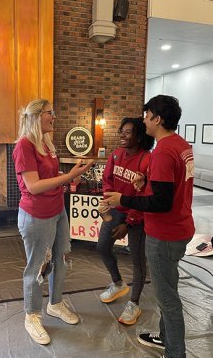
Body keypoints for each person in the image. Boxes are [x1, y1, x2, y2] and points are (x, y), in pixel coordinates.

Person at [100, 95, 195, 358]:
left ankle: (175, 353)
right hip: (180, 227)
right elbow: (171, 188)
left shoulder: (163, 151)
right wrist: (148, 180)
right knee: (168, 288)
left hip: (165, 232)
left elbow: (161, 202)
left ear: (158, 119)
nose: (144, 120)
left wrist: (124, 199)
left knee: (168, 299)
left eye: (147, 115)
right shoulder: (180, 145)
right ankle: (165, 338)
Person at [13, 99, 94, 345]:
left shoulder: (46, 143)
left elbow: (48, 176)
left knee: (61, 258)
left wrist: (69, 176)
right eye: (51, 113)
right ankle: (32, 315)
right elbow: (34, 186)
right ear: (38, 116)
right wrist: (69, 176)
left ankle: (55, 303)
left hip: (57, 210)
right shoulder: (24, 146)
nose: (54, 117)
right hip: (36, 215)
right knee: (37, 266)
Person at [97, 117, 154, 325]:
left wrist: (129, 223)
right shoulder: (116, 154)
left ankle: (134, 303)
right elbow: (107, 179)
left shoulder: (147, 160)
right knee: (103, 247)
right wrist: (108, 199)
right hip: (118, 210)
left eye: (128, 132)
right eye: (121, 131)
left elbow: (146, 197)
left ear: (139, 136)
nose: (122, 135)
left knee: (138, 260)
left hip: (137, 215)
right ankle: (118, 283)